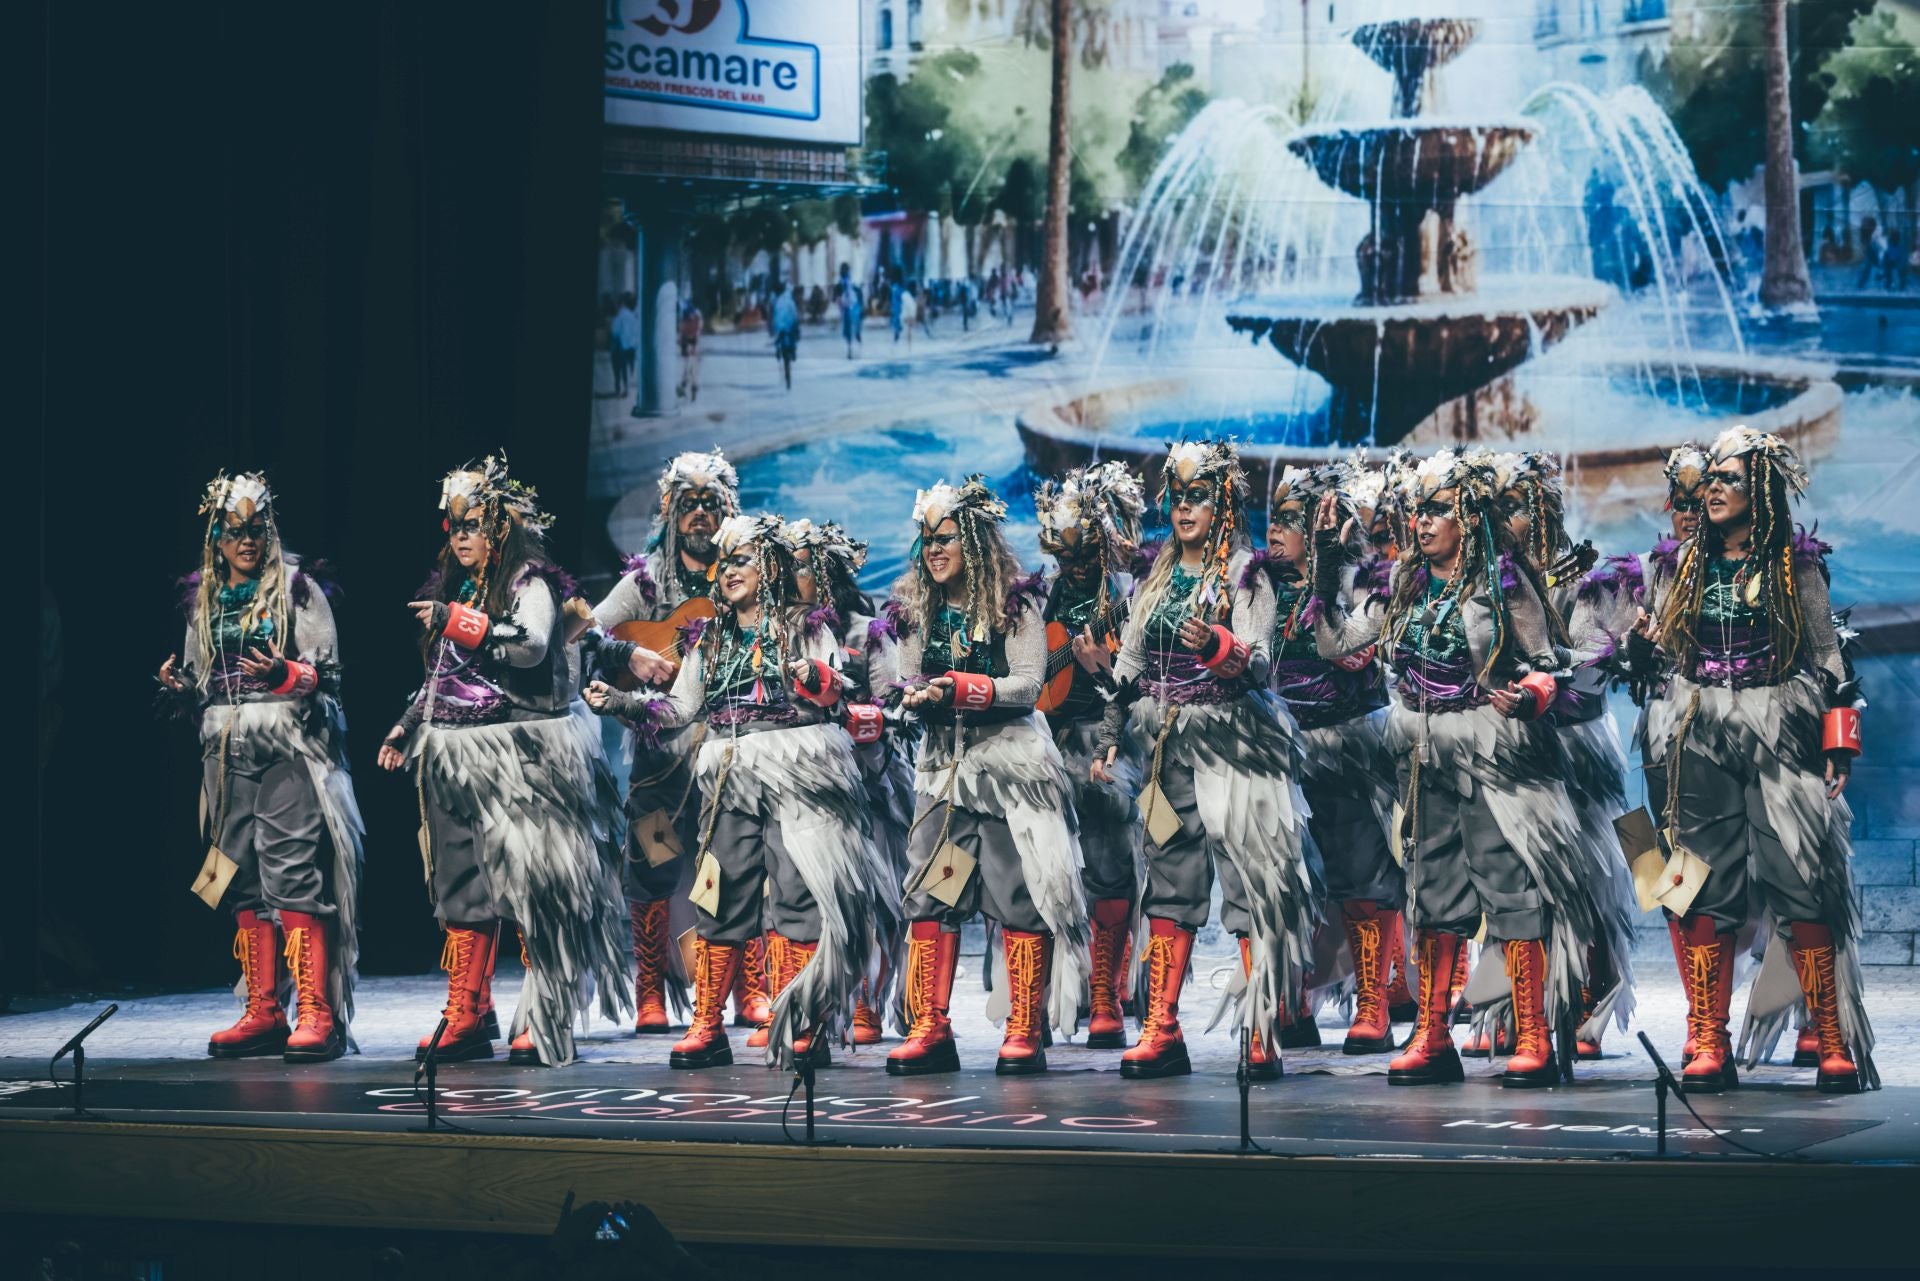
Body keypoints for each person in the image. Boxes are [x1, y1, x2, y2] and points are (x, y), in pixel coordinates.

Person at [1311, 448, 1598, 1089]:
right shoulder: (1404, 585)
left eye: (1437, 510)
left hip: (1493, 757)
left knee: (1510, 889)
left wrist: (1529, 695)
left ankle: (1532, 1036)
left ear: (1468, 517)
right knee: (1432, 894)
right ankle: (1433, 1034)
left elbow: (1552, 661)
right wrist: (1328, 564)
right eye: (1418, 511)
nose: (1421, 522)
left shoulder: (1505, 583)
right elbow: (1335, 642)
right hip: (1422, 754)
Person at [586, 515, 893, 1068]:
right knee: (719, 894)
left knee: (798, 899)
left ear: (769, 567)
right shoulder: (709, 636)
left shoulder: (808, 626)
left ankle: (802, 1021)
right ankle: (708, 1024)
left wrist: (813, 678)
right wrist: (622, 703)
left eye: (741, 560)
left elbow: (836, 691)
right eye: (723, 562)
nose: (728, 571)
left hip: (799, 771)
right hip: (731, 774)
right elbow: (680, 708)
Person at [1631, 426, 1874, 1094]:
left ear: (1762, 488)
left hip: (1781, 728)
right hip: (1700, 727)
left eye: (1729, 478)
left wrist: (1839, 742)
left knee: (1803, 880)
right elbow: (1657, 648)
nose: (1712, 488)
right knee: (1698, 882)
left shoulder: (1796, 564)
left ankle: (1829, 1037)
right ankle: (1709, 1037)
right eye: (1710, 477)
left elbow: (1830, 659)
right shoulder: (1677, 564)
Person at [378, 455, 630, 1066]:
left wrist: (458, 622)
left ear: (501, 528)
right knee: (463, 887)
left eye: (475, 524)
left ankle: (544, 1010)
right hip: (453, 757)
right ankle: (468, 1010)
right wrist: (406, 726)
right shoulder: (455, 589)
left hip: (519, 760)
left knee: (533, 886)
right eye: (455, 526)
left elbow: (532, 645)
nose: (463, 536)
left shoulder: (529, 584)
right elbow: (446, 676)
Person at [1094, 440, 1321, 1081]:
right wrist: (1113, 730)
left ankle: (1260, 1028)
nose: (1184, 508)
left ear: (1221, 500)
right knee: (1169, 883)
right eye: (1178, 496)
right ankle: (1162, 1027)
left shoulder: (1246, 573)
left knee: (1252, 884)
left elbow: (1259, 659)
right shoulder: (1157, 576)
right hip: (1166, 749)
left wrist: (1219, 646)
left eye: (1197, 496)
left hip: (1234, 746)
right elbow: (1130, 663)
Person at [886, 477, 1089, 1076]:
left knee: (1018, 894)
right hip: (942, 770)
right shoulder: (913, 608)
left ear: (972, 540)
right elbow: (902, 679)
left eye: (944, 539)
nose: (933, 551)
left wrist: (966, 689)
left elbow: (1029, 685)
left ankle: (1025, 1027)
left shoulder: (1014, 604)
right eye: (926, 541)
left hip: (1008, 765)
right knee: (927, 890)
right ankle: (931, 1026)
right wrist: (916, 696)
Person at [159, 472, 363, 1065]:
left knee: (292, 870)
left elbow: (330, 675)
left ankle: (316, 1013)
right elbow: (202, 677)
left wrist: (284, 675)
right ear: (216, 537)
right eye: (235, 531)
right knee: (239, 875)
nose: (247, 541)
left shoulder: (298, 591)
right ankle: (263, 1008)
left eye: (257, 529)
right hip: (224, 748)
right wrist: (178, 688)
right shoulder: (204, 597)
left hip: (289, 743)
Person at [586, 450, 763, 1038]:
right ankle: (650, 995)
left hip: (729, 753)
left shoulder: (748, 573)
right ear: (669, 512)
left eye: (712, 505)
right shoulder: (645, 583)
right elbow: (587, 630)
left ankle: (747, 989)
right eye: (688, 505)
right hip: (660, 757)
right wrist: (626, 654)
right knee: (652, 867)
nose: (700, 516)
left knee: (735, 867)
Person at [1493, 452, 1637, 1062]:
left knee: (1588, 878)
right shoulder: (1489, 579)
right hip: (1515, 746)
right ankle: (1520, 1007)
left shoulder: (1590, 580)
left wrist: (1544, 684)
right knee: (1519, 879)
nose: (1505, 518)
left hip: (1575, 747)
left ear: (1545, 509)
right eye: (1497, 508)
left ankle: (1589, 999)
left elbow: (1599, 662)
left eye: (1516, 506)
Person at [1260, 462, 1405, 1055]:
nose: (1275, 530)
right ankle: (1294, 998)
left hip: (1347, 746)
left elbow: (1370, 646)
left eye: (1291, 519)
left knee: (1361, 874)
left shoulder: (1362, 580)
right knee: (1290, 879)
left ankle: (1372, 1003)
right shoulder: (1256, 586)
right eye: (1274, 518)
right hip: (1279, 748)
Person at [1035, 462, 1148, 1049]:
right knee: (1050, 874)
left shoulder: (1130, 600)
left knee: (1110, 869)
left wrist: (1101, 673)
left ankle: (1106, 993)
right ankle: (1053, 996)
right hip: (1049, 746)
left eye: (1083, 558)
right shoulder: (1038, 599)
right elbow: (1031, 680)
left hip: (1112, 744)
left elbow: (1138, 683)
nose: (1073, 569)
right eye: (1065, 559)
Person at [610, 293, 639, 397]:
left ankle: (618, 388)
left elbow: (615, 332)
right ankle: (626, 388)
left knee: (617, 369)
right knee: (627, 368)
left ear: (622, 303)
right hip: (631, 347)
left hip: (619, 347)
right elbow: (637, 332)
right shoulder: (633, 316)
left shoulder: (619, 316)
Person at [771, 284, 800, 388]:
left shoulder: (776, 301)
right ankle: (793, 351)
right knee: (794, 339)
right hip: (790, 327)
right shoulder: (790, 301)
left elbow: (774, 316)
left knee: (778, 343)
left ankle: (779, 353)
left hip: (780, 329)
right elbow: (795, 315)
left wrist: (775, 329)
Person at [675, 300, 703, 404]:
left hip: (693, 349)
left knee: (692, 370)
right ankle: (687, 388)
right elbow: (680, 337)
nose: (690, 315)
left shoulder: (695, 321)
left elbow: (697, 335)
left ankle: (690, 389)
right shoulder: (685, 322)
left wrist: (692, 345)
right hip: (688, 349)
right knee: (689, 370)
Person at [834, 263, 864, 358]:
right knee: (852, 330)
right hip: (852, 308)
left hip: (850, 308)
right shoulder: (848, 283)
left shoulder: (845, 283)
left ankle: (851, 350)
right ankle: (853, 349)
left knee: (850, 331)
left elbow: (837, 298)